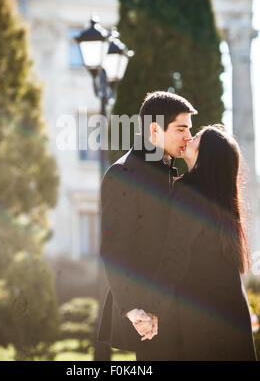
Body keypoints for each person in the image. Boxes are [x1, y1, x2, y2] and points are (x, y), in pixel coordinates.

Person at [137, 124, 257, 361]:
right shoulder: (222, 204)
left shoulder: (189, 194)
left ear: (207, 155)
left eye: (197, 138)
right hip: (231, 314)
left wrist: (150, 308)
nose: (189, 138)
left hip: (205, 318)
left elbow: (175, 257)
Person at [97, 90, 197, 358]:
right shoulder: (123, 174)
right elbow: (114, 248)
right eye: (181, 129)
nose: (189, 136)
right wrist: (134, 309)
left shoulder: (170, 169)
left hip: (181, 313)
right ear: (155, 129)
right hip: (148, 318)